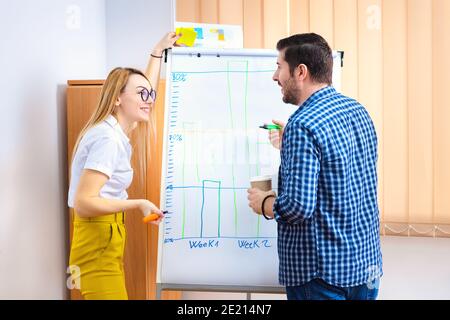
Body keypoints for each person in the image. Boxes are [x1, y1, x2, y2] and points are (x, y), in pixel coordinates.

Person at [247, 33, 382, 300]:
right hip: (365, 267)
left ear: (300, 71)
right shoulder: (357, 111)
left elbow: (298, 207)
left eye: (279, 67)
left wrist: (264, 203)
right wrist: (291, 146)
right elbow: (342, 175)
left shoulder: (303, 124)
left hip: (321, 276)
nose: (276, 77)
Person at [67, 32, 180, 300]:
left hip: (105, 236)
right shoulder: (107, 139)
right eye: (141, 94)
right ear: (117, 98)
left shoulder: (116, 131)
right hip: (96, 241)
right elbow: (84, 201)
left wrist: (157, 51)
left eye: (150, 94)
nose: (149, 99)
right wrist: (137, 203)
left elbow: (144, 89)